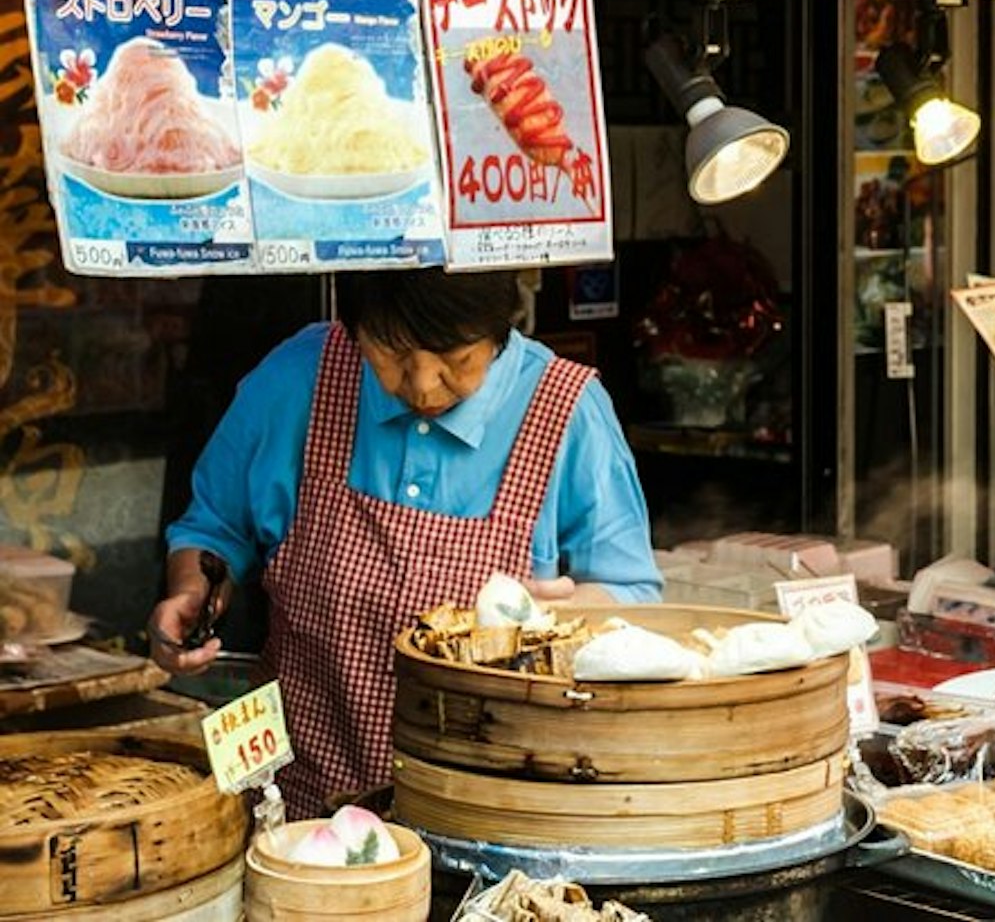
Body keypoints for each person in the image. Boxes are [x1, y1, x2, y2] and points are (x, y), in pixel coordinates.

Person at [149, 268, 661, 817]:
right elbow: (215, 527)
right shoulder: (302, 376)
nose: (422, 385)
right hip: (303, 813)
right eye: (389, 353)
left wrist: (572, 614)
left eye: (456, 358)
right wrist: (191, 591)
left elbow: (635, 595)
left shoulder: (567, 409)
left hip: (496, 817)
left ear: (500, 328)